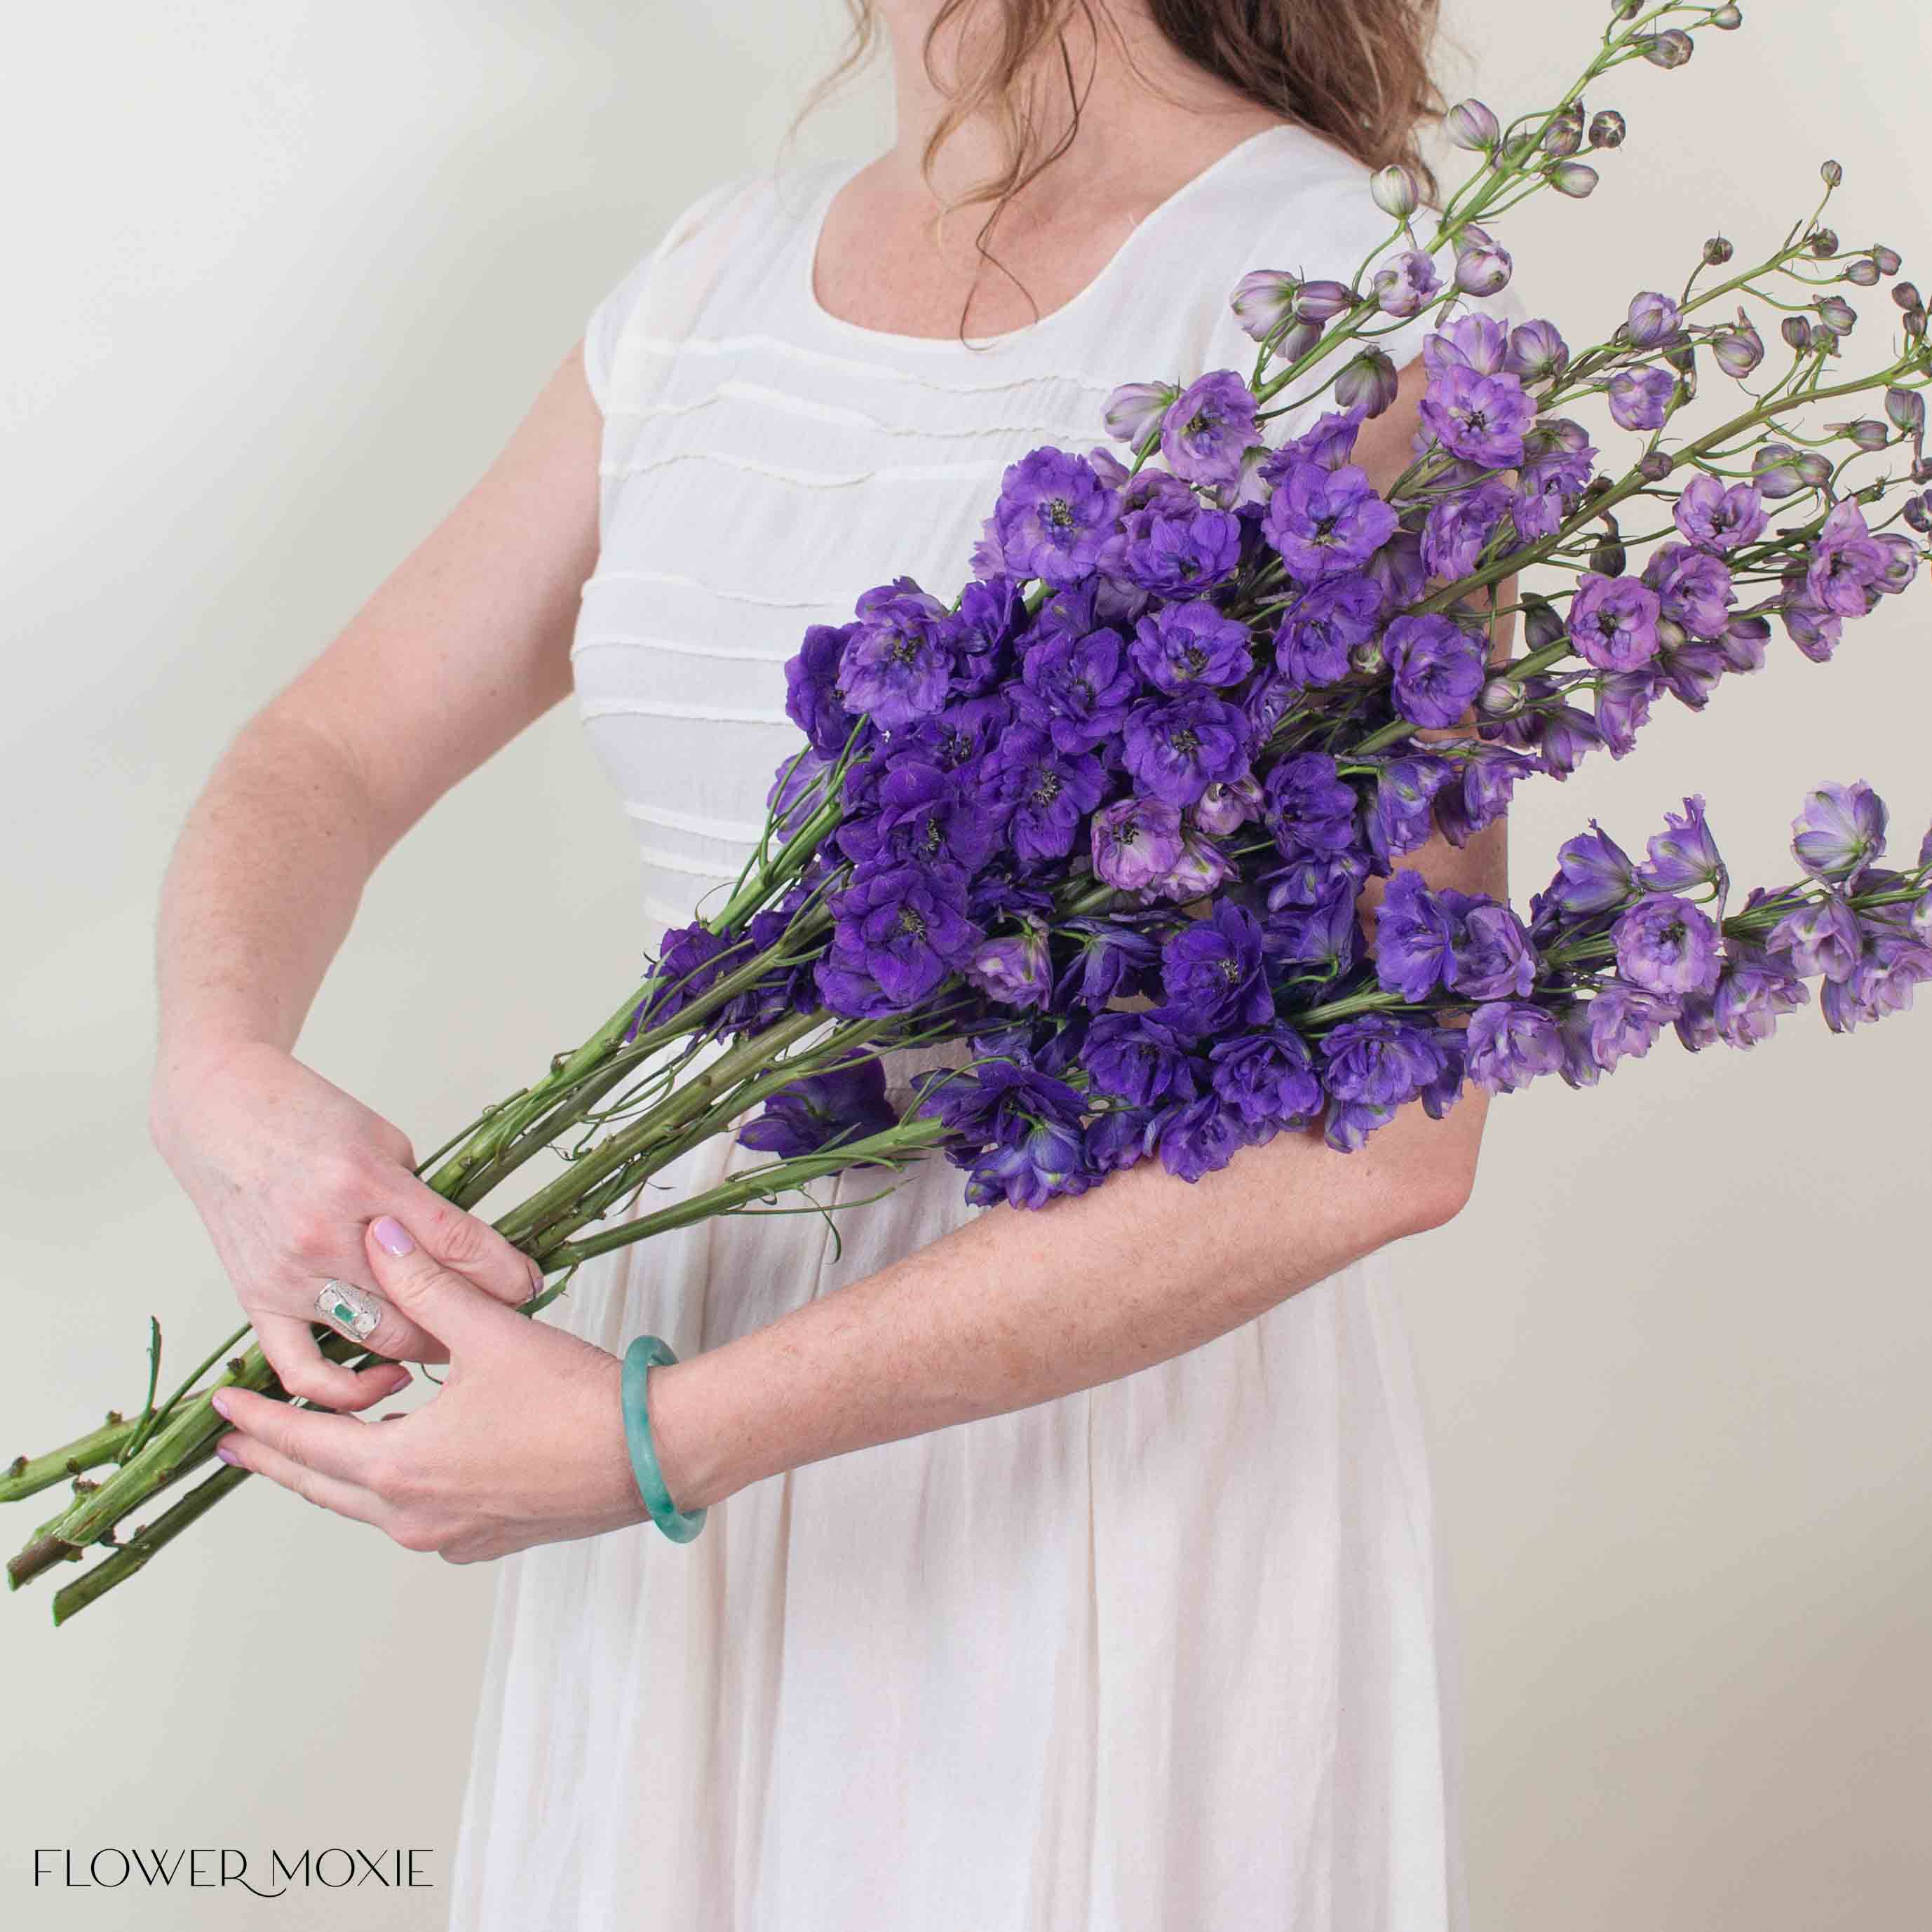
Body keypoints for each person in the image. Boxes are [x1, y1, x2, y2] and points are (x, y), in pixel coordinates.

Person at [153, 1, 1512, 1924]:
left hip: (1082, 1448)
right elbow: (325, 752)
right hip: (656, 1374)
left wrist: (656, 1436)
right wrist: (219, 1071)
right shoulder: (711, 280)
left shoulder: (1350, 305)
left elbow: (1397, 1128)